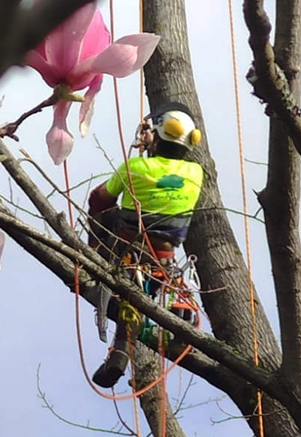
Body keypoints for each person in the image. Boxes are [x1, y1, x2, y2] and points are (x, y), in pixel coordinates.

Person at [86, 102, 204, 388]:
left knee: (104, 215)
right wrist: (156, 144)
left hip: (128, 252)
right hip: (165, 258)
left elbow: (99, 199)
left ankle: (91, 262)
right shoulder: (195, 173)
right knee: (138, 297)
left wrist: (148, 150)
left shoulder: (135, 167)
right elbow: (167, 172)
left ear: (159, 135)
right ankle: (164, 336)